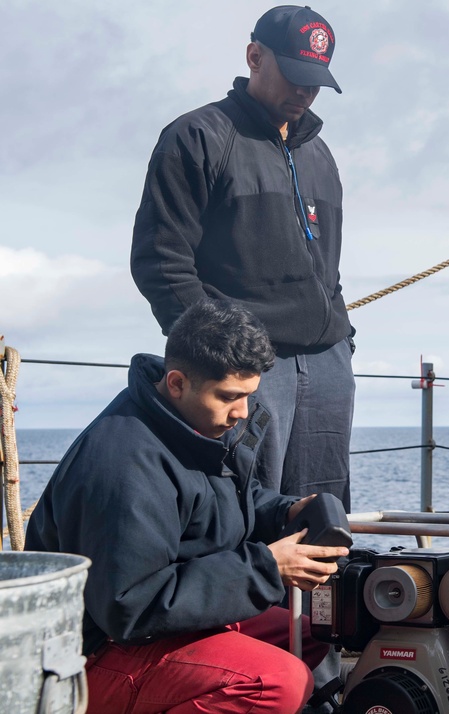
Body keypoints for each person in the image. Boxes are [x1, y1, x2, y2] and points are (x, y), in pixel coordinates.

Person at [25, 300, 347, 713]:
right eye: (229, 396)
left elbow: (214, 502)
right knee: (274, 682)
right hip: (90, 655)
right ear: (176, 382)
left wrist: (282, 512)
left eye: (250, 395)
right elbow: (130, 607)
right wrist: (268, 566)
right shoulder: (124, 464)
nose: (242, 412)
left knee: (314, 631)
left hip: (152, 624)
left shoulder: (183, 424)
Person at [130, 5, 355, 507]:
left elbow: (329, 269)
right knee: (239, 511)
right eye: (295, 75)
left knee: (324, 515)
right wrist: (217, 358)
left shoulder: (320, 155)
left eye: (316, 80)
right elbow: (160, 260)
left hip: (326, 366)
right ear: (255, 56)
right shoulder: (196, 137)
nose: (305, 91)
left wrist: (343, 343)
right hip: (246, 369)